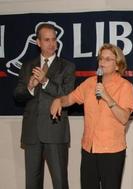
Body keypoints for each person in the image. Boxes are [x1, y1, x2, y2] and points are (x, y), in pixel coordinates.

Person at [50, 43, 133, 189]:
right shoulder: (89, 83)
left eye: (108, 59)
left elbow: (124, 118)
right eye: (101, 58)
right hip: (89, 148)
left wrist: (107, 97)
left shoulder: (125, 86)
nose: (102, 62)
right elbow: (70, 99)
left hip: (111, 151)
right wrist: (59, 100)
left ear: (117, 65)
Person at [14, 23, 76, 189]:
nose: (52, 44)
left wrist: (45, 81)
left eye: (54, 39)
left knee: (60, 181)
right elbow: (18, 95)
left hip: (55, 131)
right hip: (32, 132)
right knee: (32, 182)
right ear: (38, 42)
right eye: (47, 40)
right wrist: (31, 86)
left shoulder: (67, 67)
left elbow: (67, 95)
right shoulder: (27, 66)